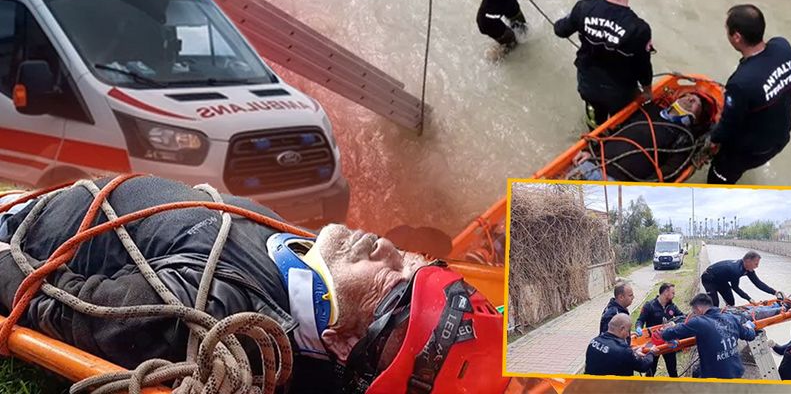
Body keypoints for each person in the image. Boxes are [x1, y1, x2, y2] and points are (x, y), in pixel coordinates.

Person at [0, 176, 508, 394]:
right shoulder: (318, 259)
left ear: (344, 342)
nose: (388, 248)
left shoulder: (216, 318)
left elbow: (48, 303)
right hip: (63, 204)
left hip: (21, 225)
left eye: (394, 288)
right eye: (420, 266)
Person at [554, 0, 654, 126]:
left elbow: (560, 30)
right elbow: (643, 67)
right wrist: (647, 91)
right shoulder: (639, 29)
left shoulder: (583, 8)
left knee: (594, 124)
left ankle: (594, 139)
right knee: (621, 124)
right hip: (621, 93)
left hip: (589, 87)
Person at [708, 4, 791, 184]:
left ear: (737, 37)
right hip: (781, 136)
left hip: (751, 150)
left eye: (727, 31)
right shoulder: (783, 47)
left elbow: (729, 124)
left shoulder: (741, 83)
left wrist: (713, 140)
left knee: (718, 180)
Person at [568, 92, 713, 182]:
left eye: (695, 102)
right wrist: (589, 150)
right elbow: (614, 130)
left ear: (698, 118)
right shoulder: (650, 110)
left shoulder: (685, 138)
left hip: (615, 183)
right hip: (592, 164)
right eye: (687, 96)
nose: (688, 100)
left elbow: (669, 173)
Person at [661, 293, 757, 379]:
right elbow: (750, 335)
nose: (695, 314)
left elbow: (667, 334)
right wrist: (750, 325)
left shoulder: (699, 322)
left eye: (694, 312)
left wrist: (669, 328)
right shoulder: (731, 318)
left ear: (698, 309)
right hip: (736, 372)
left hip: (715, 377)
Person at [635, 283, 685, 377]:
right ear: (666, 292)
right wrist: (639, 328)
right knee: (651, 370)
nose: (674, 295)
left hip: (668, 341)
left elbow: (682, 317)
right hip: (653, 342)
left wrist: (675, 324)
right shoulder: (649, 305)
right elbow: (640, 320)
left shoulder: (672, 307)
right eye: (672, 293)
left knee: (672, 369)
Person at [584, 313, 655, 376]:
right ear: (622, 329)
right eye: (628, 331)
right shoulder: (623, 350)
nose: (628, 335)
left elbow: (612, 357)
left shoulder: (594, 341)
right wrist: (651, 352)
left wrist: (633, 354)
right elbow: (643, 366)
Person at [701, 251, 779, 307]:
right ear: (748, 261)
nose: (757, 266)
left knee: (731, 302)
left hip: (722, 280)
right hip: (709, 278)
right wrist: (749, 299)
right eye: (756, 264)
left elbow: (758, 283)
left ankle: (726, 316)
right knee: (715, 305)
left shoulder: (748, 269)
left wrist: (775, 292)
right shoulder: (736, 270)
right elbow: (735, 288)